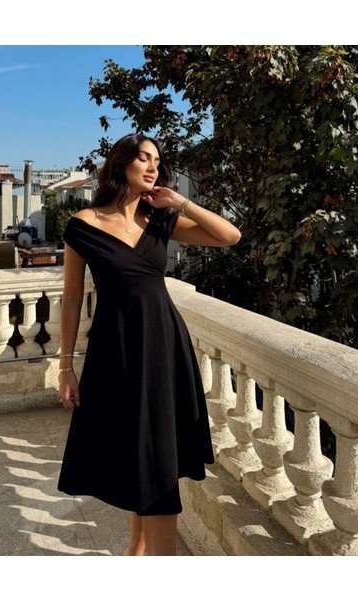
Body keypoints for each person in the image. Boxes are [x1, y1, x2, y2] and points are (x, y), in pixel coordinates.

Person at [57, 133, 241, 556]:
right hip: (116, 351)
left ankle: (142, 556)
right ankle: (137, 552)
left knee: (157, 455)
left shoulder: (160, 220)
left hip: (163, 348)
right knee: (136, 451)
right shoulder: (83, 224)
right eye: (143, 158)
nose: (153, 166)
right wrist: (66, 367)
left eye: (157, 160)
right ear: (121, 163)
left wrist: (179, 202)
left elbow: (229, 236)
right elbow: (71, 298)